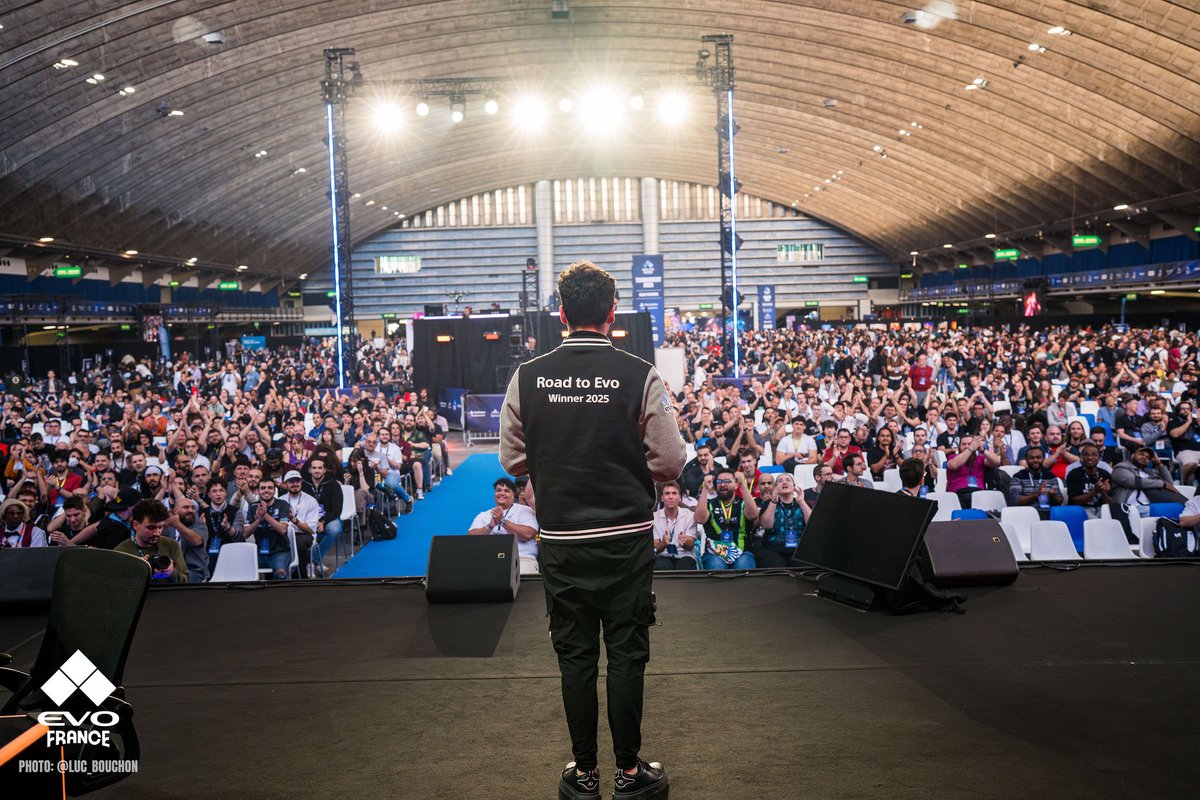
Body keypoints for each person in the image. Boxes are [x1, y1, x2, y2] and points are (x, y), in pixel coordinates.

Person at [499, 260, 684, 800]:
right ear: (611, 314)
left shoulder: (527, 377)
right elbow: (670, 461)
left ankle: (584, 776)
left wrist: (556, 467)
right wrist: (623, 465)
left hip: (561, 543)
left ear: (561, 314)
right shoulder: (639, 374)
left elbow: (512, 459)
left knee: (576, 656)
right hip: (625, 539)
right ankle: (629, 774)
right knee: (627, 653)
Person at [467, 477, 540, 574]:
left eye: (506, 491)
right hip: (489, 560)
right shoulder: (483, 515)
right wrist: (489, 526)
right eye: (498, 490)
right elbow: (471, 538)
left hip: (521, 559)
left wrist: (502, 521)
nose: (502, 493)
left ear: (514, 494)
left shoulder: (525, 511)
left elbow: (527, 534)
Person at [695, 469, 760, 570]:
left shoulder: (743, 503)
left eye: (727, 481)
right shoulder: (710, 504)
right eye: (719, 482)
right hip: (715, 554)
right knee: (717, 566)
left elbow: (754, 516)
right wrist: (705, 489)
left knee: (742, 566)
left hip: (742, 553)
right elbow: (699, 519)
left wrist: (743, 485)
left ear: (736, 485)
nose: (723, 484)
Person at [115, 499, 188, 583]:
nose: (157, 533)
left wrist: (172, 573)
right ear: (136, 525)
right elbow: (114, 587)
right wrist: (134, 573)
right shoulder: (121, 552)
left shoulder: (171, 545)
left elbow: (185, 581)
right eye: (151, 528)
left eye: (160, 527)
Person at [235, 476, 293, 580]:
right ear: (258, 491)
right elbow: (245, 534)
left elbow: (282, 530)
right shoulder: (253, 506)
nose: (266, 490)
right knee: (241, 570)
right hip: (259, 552)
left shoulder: (282, 505)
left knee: (281, 572)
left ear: (274, 490)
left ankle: (282, 596)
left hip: (279, 552)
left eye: (270, 488)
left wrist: (265, 515)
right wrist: (258, 520)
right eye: (263, 488)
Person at [754, 474, 811, 567]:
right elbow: (766, 525)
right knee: (777, 565)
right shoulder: (769, 503)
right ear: (776, 487)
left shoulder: (803, 503)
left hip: (798, 550)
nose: (784, 482)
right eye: (780, 481)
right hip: (772, 549)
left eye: (788, 480)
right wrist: (774, 501)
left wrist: (801, 502)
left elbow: (812, 525)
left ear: (794, 486)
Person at [1110, 447, 1187, 508]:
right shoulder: (1121, 467)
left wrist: (1159, 463)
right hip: (1131, 507)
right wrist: (1161, 483)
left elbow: (1169, 484)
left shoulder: (1149, 473)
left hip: (1154, 505)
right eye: (1141, 454)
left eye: (1148, 457)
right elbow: (1132, 481)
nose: (1144, 457)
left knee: (1181, 512)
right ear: (1132, 455)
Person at [650, 481, 697, 570]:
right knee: (661, 565)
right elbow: (655, 545)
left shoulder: (690, 515)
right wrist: (663, 543)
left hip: (684, 555)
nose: (671, 497)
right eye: (667, 494)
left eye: (674, 493)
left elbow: (691, 545)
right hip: (663, 555)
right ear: (662, 497)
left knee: (685, 565)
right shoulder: (654, 517)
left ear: (679, 497)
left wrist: (684, 542)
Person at [1007, 446, 1064, 519]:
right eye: (1031, 458)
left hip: (1048, 514)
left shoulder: (1050, 476)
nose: (1035, 460)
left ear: (1043, 459)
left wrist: (1053, 496)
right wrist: (1035, 495)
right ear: (1026, 460)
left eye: (1038, 457)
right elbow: (1015, 501)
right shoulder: (1018, 476)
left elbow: (1059, 501)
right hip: (1026, 515)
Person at [1065, 444, 1113, 518]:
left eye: (1094, 455)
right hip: (1080, 510)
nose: (1090, 458)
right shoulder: (1074, 474)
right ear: (1081, 457)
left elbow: (1109, 503)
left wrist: (1103, 492)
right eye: (1086, 455)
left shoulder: (1105, 474)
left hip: (1101, 509)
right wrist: (1095, 491)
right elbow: (1076, 501)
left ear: (1099, 458)